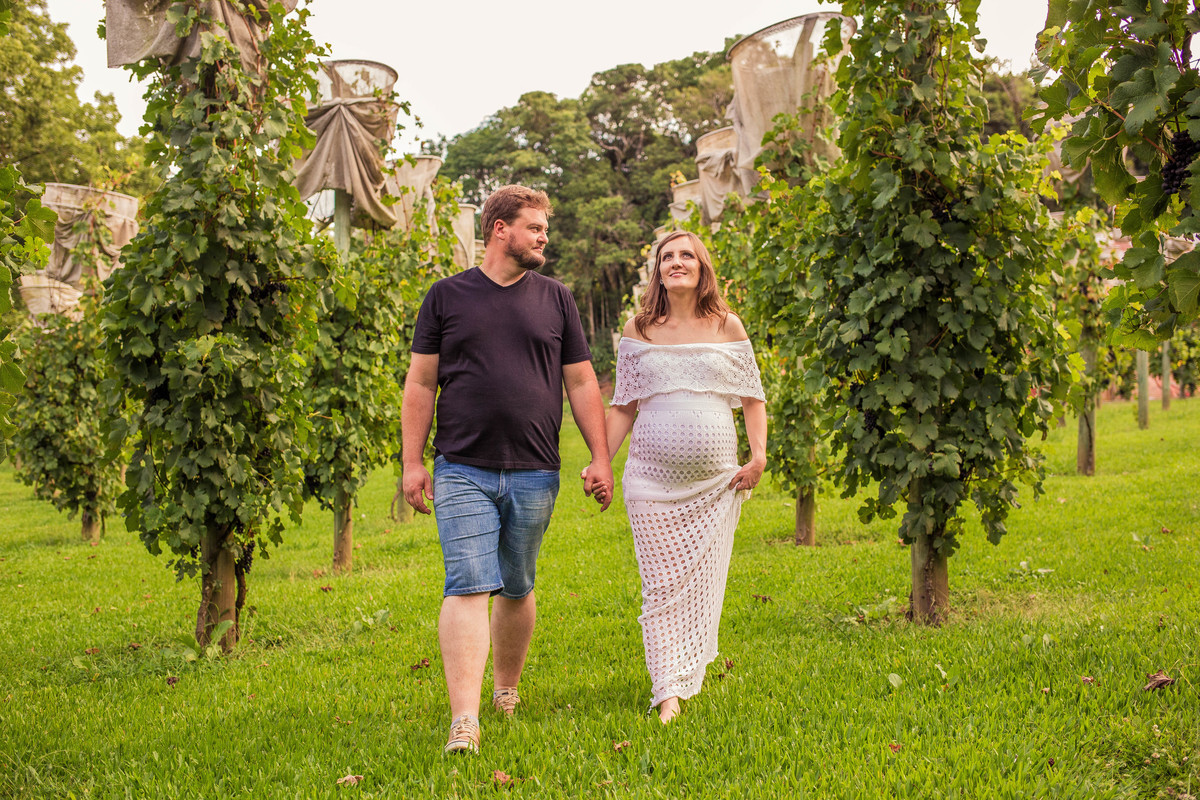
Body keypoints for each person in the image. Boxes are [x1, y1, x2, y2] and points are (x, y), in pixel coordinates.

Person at [401, 185, 614, 755]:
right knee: (468, 583)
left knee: (516, 584)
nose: (545, 236)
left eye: (546, 228)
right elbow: (421, 382)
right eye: (535, 226)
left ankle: (506, 689)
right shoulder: (445, 297)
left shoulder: (556, 299)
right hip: (462, 466)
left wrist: (600, 457)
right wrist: (413, 461)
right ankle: (464, 720)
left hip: (536, 469)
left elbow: (581, 382)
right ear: (500, 229)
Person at [601, 230, 766, 724]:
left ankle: (682, 666)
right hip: (649, 482)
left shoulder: (727, 326)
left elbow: (754, 400)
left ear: (701, 268)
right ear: (658, 270)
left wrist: (758, 457)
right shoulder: (639, 329)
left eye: (686, 255)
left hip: (715, 485)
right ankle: (667, 689)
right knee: (659, 587)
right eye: (667, 256)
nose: (676, 262)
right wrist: (600, 462)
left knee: (698, 583)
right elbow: (624, 405)